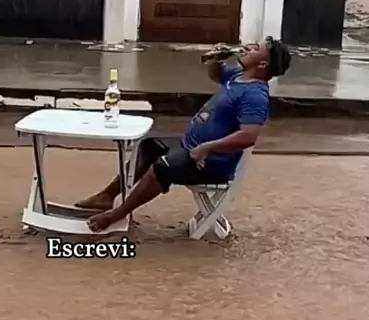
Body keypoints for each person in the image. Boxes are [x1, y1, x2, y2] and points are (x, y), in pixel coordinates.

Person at [77, 37, 291, 233]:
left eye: (255, 48)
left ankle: (116, 215)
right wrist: (215, 59)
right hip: (190, 146)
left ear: (263, 64)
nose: (249, 46)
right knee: (148, 147)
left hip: (211, 162)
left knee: (163, 166)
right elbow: (216, 75)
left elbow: (248, 136)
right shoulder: (238, 76)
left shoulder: (255, 95)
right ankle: (106, 196)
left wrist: (206, 148)